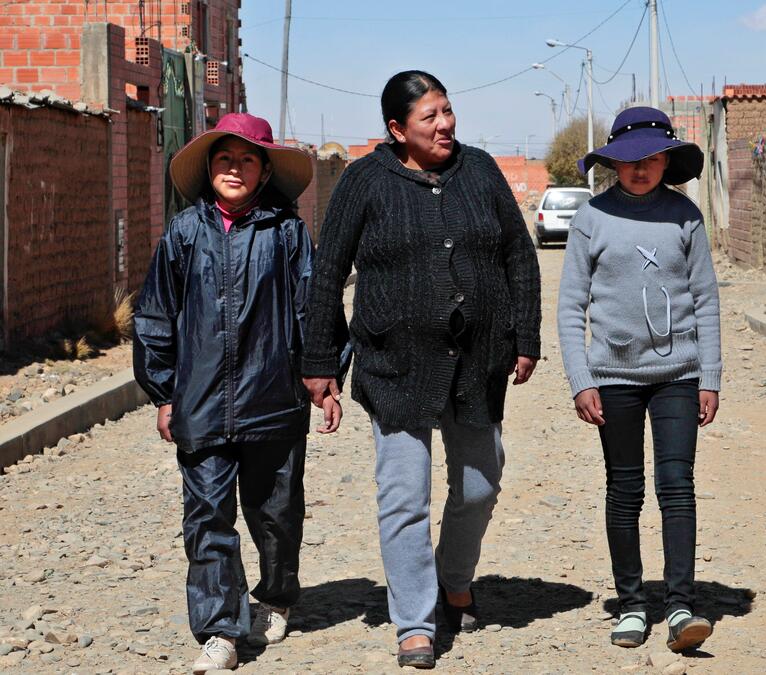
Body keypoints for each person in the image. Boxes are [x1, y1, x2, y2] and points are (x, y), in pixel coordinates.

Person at [300, 70, 541, 669]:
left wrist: (526, 334)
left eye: (448, 111)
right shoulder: (363, 181)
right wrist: (319, 361)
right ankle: (414, 621)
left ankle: (453, 579)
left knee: (482, 483)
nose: (444, 125)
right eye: (429, 117)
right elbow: (327, 273)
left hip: (476, 360)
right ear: (396, 129)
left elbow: (518, 252)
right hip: (396, 364)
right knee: (405, 496)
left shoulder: (479, 170)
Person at [133, 112, 343, 673]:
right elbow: (155, 315)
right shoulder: (184, 232)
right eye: (224, 158)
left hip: (274, 399)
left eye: (247, 158)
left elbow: (314, 310)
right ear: (209, 168)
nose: (234, 167)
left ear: (264, 169)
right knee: (206, 519)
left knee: (275, 512)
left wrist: (324, 378)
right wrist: (163, 393)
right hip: (199, 402)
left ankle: (274, 597)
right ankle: (221, 630)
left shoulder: (287, 232)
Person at [557, 106, 722, 653]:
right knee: (624, 490)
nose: (641, 168)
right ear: (612, 163)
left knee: (677, 486)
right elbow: (570, 306)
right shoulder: (591, 218)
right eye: (630, 159)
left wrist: (710, 375)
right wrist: (581, 378)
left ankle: (679, 603)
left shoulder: (685, 217)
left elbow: (705, 301)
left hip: (678, 375)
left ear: (667, 160)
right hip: (613, 378)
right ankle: (631, 604)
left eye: (652, 157)